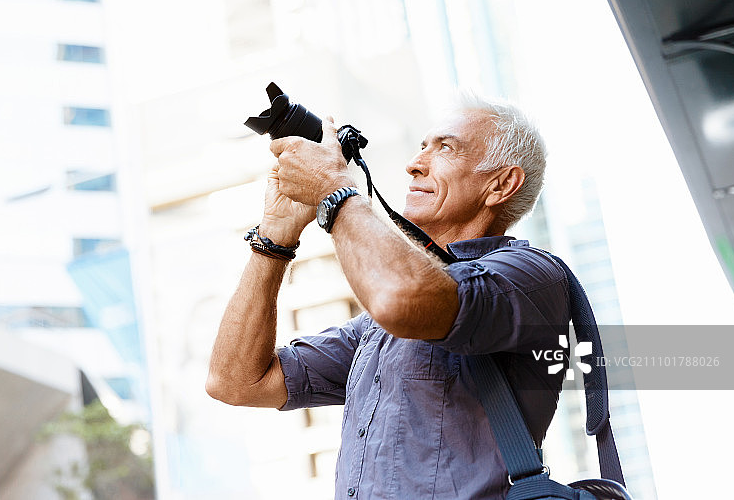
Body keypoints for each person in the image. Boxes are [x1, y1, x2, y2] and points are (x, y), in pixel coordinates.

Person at [206, 94, 570, 499]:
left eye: (445, 148)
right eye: (422, 146)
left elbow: (401, 300)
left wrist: (335, 189)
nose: (414, 164)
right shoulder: (374, 332)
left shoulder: (531, 275)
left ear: (501, 184)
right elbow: (236, 382)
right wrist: (274, 238)